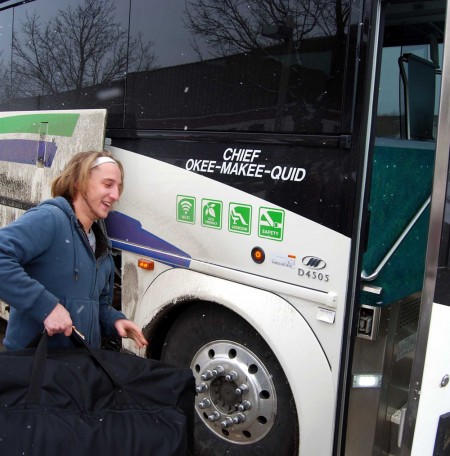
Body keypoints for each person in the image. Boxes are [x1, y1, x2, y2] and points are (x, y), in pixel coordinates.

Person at [0, 150, 148, 350]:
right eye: (107, 184)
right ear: (79, 183)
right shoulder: (50, 219)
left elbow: (95, 304)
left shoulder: (101, 245)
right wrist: (47, 307)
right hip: (33, 365)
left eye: (118, 187)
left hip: (76, 367)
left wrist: (114, 320)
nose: (115, 195)